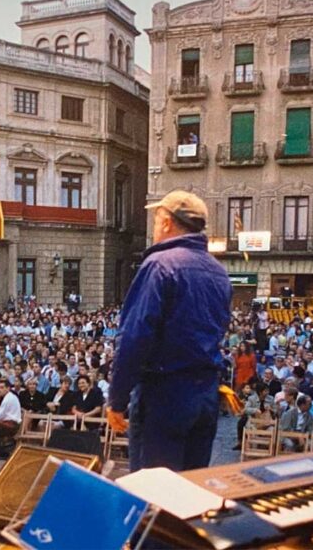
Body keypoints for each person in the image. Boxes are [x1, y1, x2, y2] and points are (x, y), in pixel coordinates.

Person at [108, 190, 232, 472]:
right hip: (205, 397)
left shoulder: (160, 265)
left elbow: (135, 336)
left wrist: (117, 399)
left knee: (154, 493)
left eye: (155, 221)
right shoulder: (218, 271)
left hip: (164, 396)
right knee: (189, 490)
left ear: (166, 223)